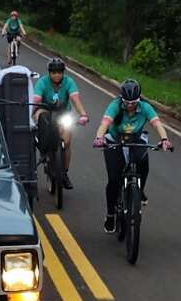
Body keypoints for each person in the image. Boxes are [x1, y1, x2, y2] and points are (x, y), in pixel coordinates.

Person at [92, 79, 173, 233]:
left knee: (143, 161)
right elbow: (105, 123)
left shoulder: (145, 107)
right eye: (126, 102)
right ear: (121, 99)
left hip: (136, 138)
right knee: (114, 180)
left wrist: (164, 140)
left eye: (133, 102)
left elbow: (157, 124)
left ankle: (139, 190)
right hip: (115, 139)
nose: (130, 105)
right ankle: (110, 215)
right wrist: (99, 138)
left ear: (139, 99)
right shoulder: (115, 106)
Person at [32, 58, 89, 189]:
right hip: (45, 110)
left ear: (63, 73)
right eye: (53, 72)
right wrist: (32, 113)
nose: (57, 75)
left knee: (67, 143)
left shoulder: (69, 82)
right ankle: (45, 151)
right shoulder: (42, 82)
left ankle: (64, 173)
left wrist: (83, 114)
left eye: (59, 72)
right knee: (40, 115)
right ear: (49, 73)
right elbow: (36, 100)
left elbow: (75, 99)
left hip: (63, 112)